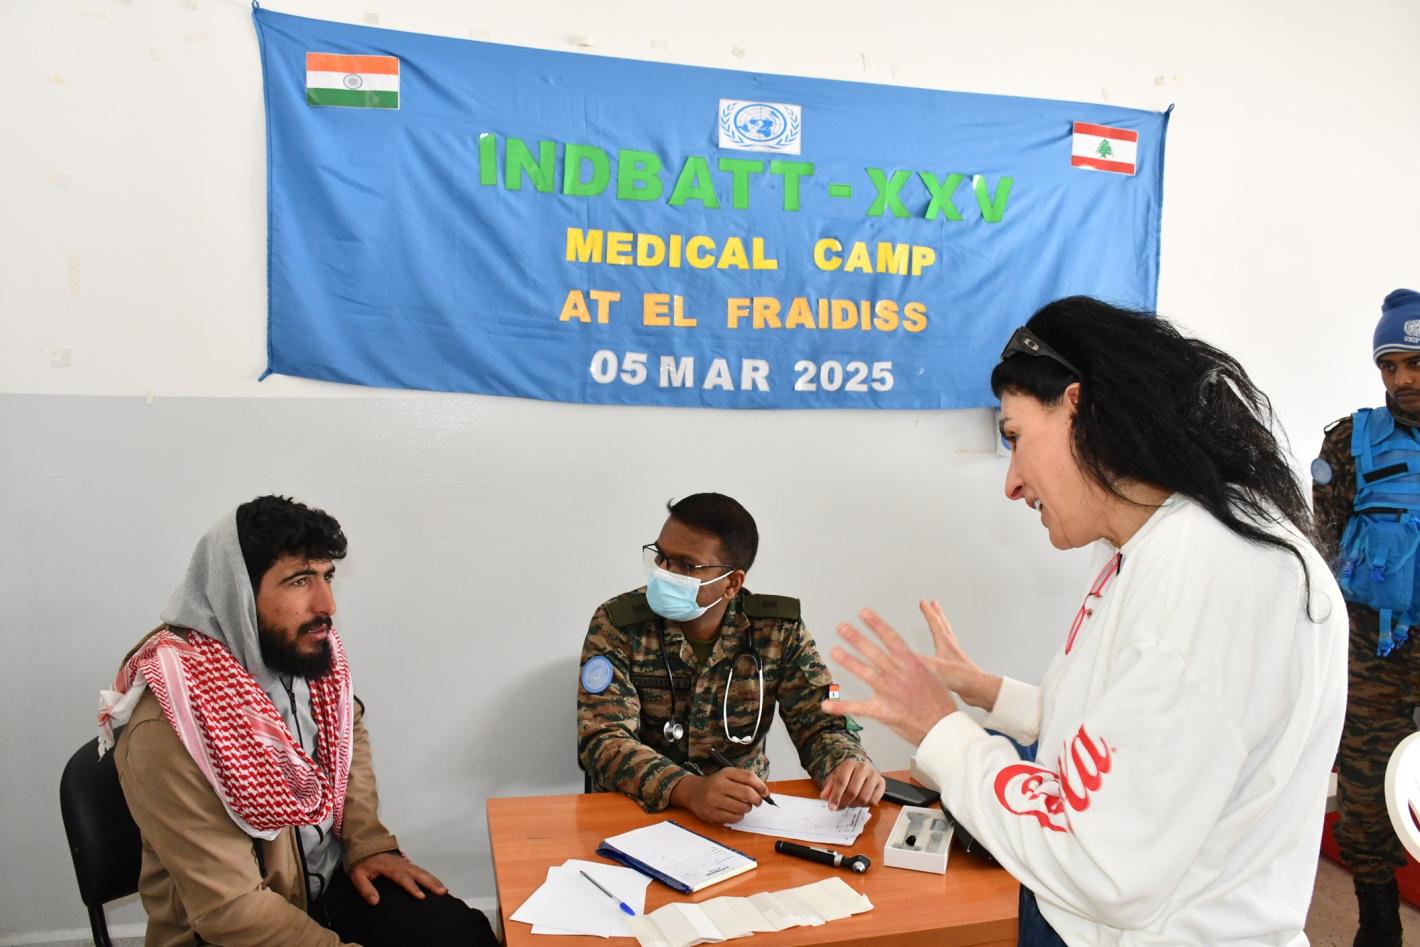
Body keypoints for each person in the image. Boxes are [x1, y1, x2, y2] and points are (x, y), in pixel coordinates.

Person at [822, 297, 1348, 946]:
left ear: (1083, 409)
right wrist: (989, 691)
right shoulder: (1177, 544)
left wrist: (940, 730)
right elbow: (1132, 729)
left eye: (1015, 436)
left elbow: (1105, 866)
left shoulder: (1210, 571)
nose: (1011, 483)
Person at [98, 496, 496, 947]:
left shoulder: (298, 653)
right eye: (299, 580)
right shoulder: (170, 722)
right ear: (238, 593)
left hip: (324, 886)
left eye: (326, 577)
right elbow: (231, 911)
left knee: (464, 934)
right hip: (232, 928)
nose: (326, 603)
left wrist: (367, 843)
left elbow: (349, 736)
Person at [578, 492, 885, 823]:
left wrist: (848, 764)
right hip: (639, 813)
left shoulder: (777, 631)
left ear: (732, 583)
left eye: (685, 565)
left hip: (742, 816)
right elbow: (603, 740)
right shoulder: (618, 623)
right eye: (661, 556)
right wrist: (689, 789)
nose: (663, 572)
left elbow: (821, 722)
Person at [1313, 288, 1420, 947]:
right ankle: (1377, 923)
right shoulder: (1350, 441)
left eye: (1415, 361)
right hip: (1371, 650)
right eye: (1390, 365)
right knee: (1362, 785)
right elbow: (1322, 544)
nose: (1402, 378)